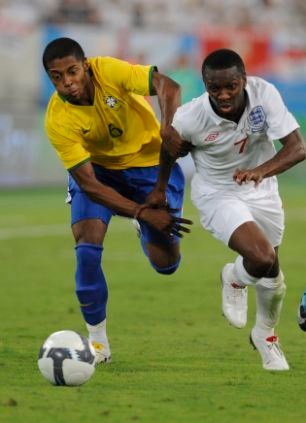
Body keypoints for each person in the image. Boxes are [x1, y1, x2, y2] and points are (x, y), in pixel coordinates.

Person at [42, 37, 193, 364]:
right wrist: (141, 212)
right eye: (57, 77)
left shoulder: (108, 70)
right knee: (86, 246)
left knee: (166, 263)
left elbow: (168, 85)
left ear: (85, 66)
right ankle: (97, 345)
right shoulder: (57, 119)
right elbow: (89, 185)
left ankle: (145, 230)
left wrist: (169, 126)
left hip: (149, 165)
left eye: (72, 71)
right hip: (99, 173)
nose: (67, 82)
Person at [162, 48, 306, 371]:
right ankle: (235, 278)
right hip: (218, 193)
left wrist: (260, 172)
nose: (224, 95)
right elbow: (167, 151)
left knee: (273, 276)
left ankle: (265, 336)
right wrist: (159, 194)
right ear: (205, 85)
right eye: (215, 88)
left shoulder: (263, 93)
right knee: (261, 257)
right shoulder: (189, 117)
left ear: (243, 80)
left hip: (262, 189)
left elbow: (298, 148)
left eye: (231, 86)